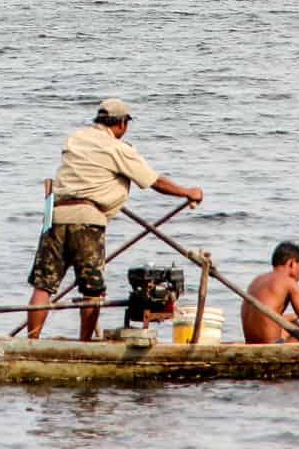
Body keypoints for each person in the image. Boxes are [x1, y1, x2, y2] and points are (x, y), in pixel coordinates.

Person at [25, 98, 204, 341]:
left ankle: (32, 342)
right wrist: (188, 192)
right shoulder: (117, 148)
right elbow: (154, 181)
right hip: (87, 222)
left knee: (43, 286)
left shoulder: (76, 138)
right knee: (92, 291)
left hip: (55, 217)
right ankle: (85, 345)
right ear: (121, 124)